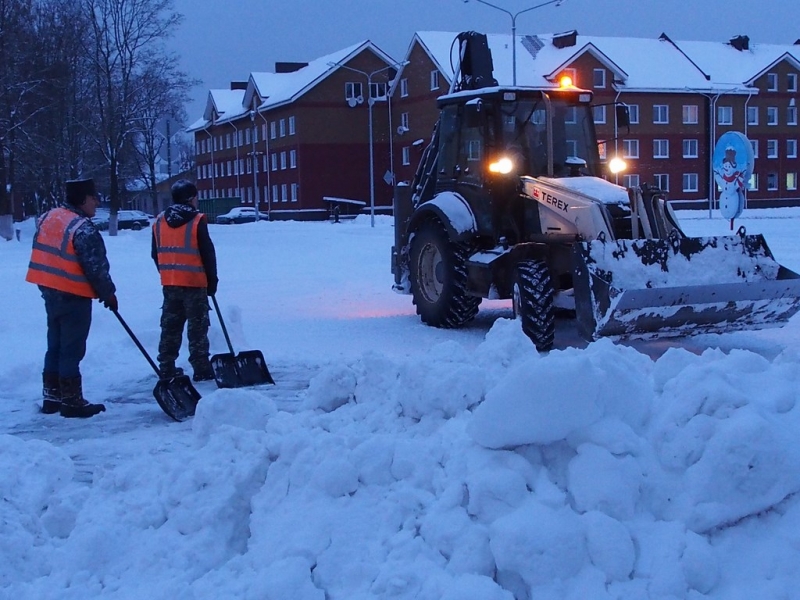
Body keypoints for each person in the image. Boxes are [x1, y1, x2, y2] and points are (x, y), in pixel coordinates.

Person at [25, 178, 116, 418]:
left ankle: (52, 396)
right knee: (71, 349)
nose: (97, 202)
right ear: (83, 199)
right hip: (74, 296)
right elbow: (96, 267)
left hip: (50, 293)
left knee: (54, 345)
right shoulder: (82, 228)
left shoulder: (49, 218)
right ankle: (72, 400)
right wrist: (109, 294)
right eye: (94, 197)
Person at [152, 180, 218, 381]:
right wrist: (212, 281)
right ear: (190, 198)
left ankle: (166, 365)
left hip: (170, 283)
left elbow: (155, 253)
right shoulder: (196, 220)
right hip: (195, 282)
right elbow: (207, 253)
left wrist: (168, 272)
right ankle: (200, 367)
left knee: (170, 326)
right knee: (197, 327)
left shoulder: (160, 221)